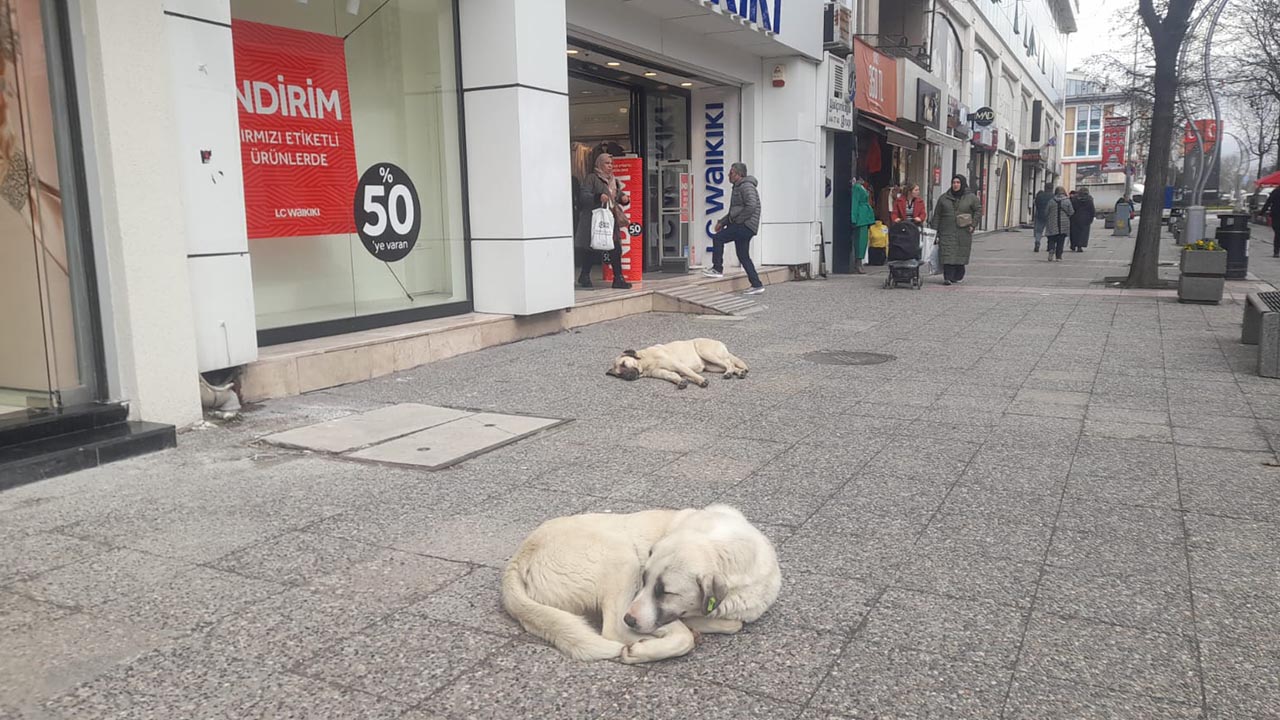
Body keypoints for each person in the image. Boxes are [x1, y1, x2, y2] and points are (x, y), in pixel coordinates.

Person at [702, 162, 764, 295]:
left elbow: (751, 206)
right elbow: (735, 211)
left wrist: (739, 221)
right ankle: (757, 284)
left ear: (739, 174)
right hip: (747, 226)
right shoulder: (738, 186)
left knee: (718, 238)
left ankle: (717, 269)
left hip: (745, 225)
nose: (728, 175)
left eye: (731, 173)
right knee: (743, 256)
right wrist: (723, 222)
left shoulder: (746, 186)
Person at [573, 153, 632, 289]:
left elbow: (615, 195)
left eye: (611, 163)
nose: (610, 166)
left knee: (615, 248)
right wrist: (597, 197)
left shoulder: (613, 180)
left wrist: (624, 198)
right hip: (594, 220)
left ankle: (618, 278)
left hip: (610, 219)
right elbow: (584, 196)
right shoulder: (592, 178)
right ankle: (585, 275)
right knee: (592, 248)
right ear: (599, 164)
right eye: (607, 163)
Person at [929, 175, 982, 285]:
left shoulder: (971, 197)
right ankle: (947, 277)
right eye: (954, 182)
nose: (955, 184)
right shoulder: (944, 198)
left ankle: (957, 275)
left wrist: (973, 224)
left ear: (962, 184)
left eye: (958, 182)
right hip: (946, 231)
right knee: (947, 254)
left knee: (959, 254)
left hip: (963, 232)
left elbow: (978, 211)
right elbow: (937, 215)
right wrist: (934, 231)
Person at [850, 179, 876, 274]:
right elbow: (855, 202)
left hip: (864, 216)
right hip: (861, 216)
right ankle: (858, 262)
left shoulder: (861, 186)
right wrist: (854, 217)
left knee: (863, 240)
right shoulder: (857, 187)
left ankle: (860, 261)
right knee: (860, 240)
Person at [1043, 185, 1074, 261]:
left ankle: (1051, 249)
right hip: (1063, 224)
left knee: (1051, 238)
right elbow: (1071, 212)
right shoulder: (1067, 201)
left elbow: (1046, 212)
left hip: (1052, 223)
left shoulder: (1051, 201)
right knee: (1061, 241)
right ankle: (1058, 256)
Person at [1069, 186, 1096, 252]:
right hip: (1086, 219)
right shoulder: (1089, 200)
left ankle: (1073, 244)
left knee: (1074, 232)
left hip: (1075, 218)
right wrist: (1091, 218)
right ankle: (1080, 246)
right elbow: (1092, 210)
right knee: (1083, 233)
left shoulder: (1074, 199)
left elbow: (1071, 208)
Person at [1033, 183, 1054, 253]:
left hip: (1040, 215)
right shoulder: (1053, 196)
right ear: (1052, 188)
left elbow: (1036, 204)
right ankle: (1049, 246)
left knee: (1039, 231)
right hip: (1050, 216)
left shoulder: (1040, 196)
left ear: (1045, 188)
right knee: (1050, 231)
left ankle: (1037, 241)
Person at [1262, 190, 1280, 257]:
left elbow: (1268, 202)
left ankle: (1276, 252)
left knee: (1278, 234)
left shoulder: (1275, 192)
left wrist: (1261, 213)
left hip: (1276, 216)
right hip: (1276, 215)